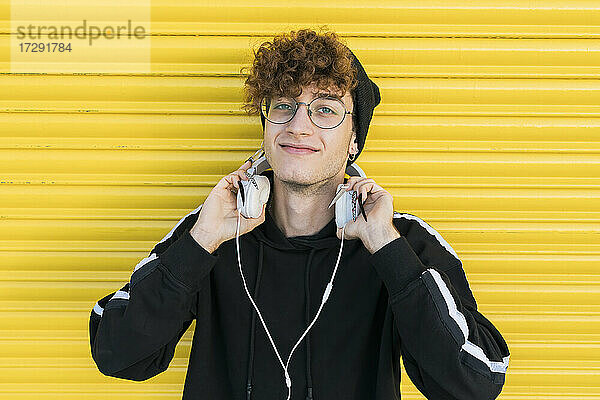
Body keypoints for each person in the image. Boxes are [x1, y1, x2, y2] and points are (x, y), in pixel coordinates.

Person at [89, 28, 510, 400]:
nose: (299, 126)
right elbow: (117, 353)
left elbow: (476, 382)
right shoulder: (212, 230)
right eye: (284, 106)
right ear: (266, 126)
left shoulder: (404, 244)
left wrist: (388, 251)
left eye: (325, 109)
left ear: (353, 141)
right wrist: (201, 244)